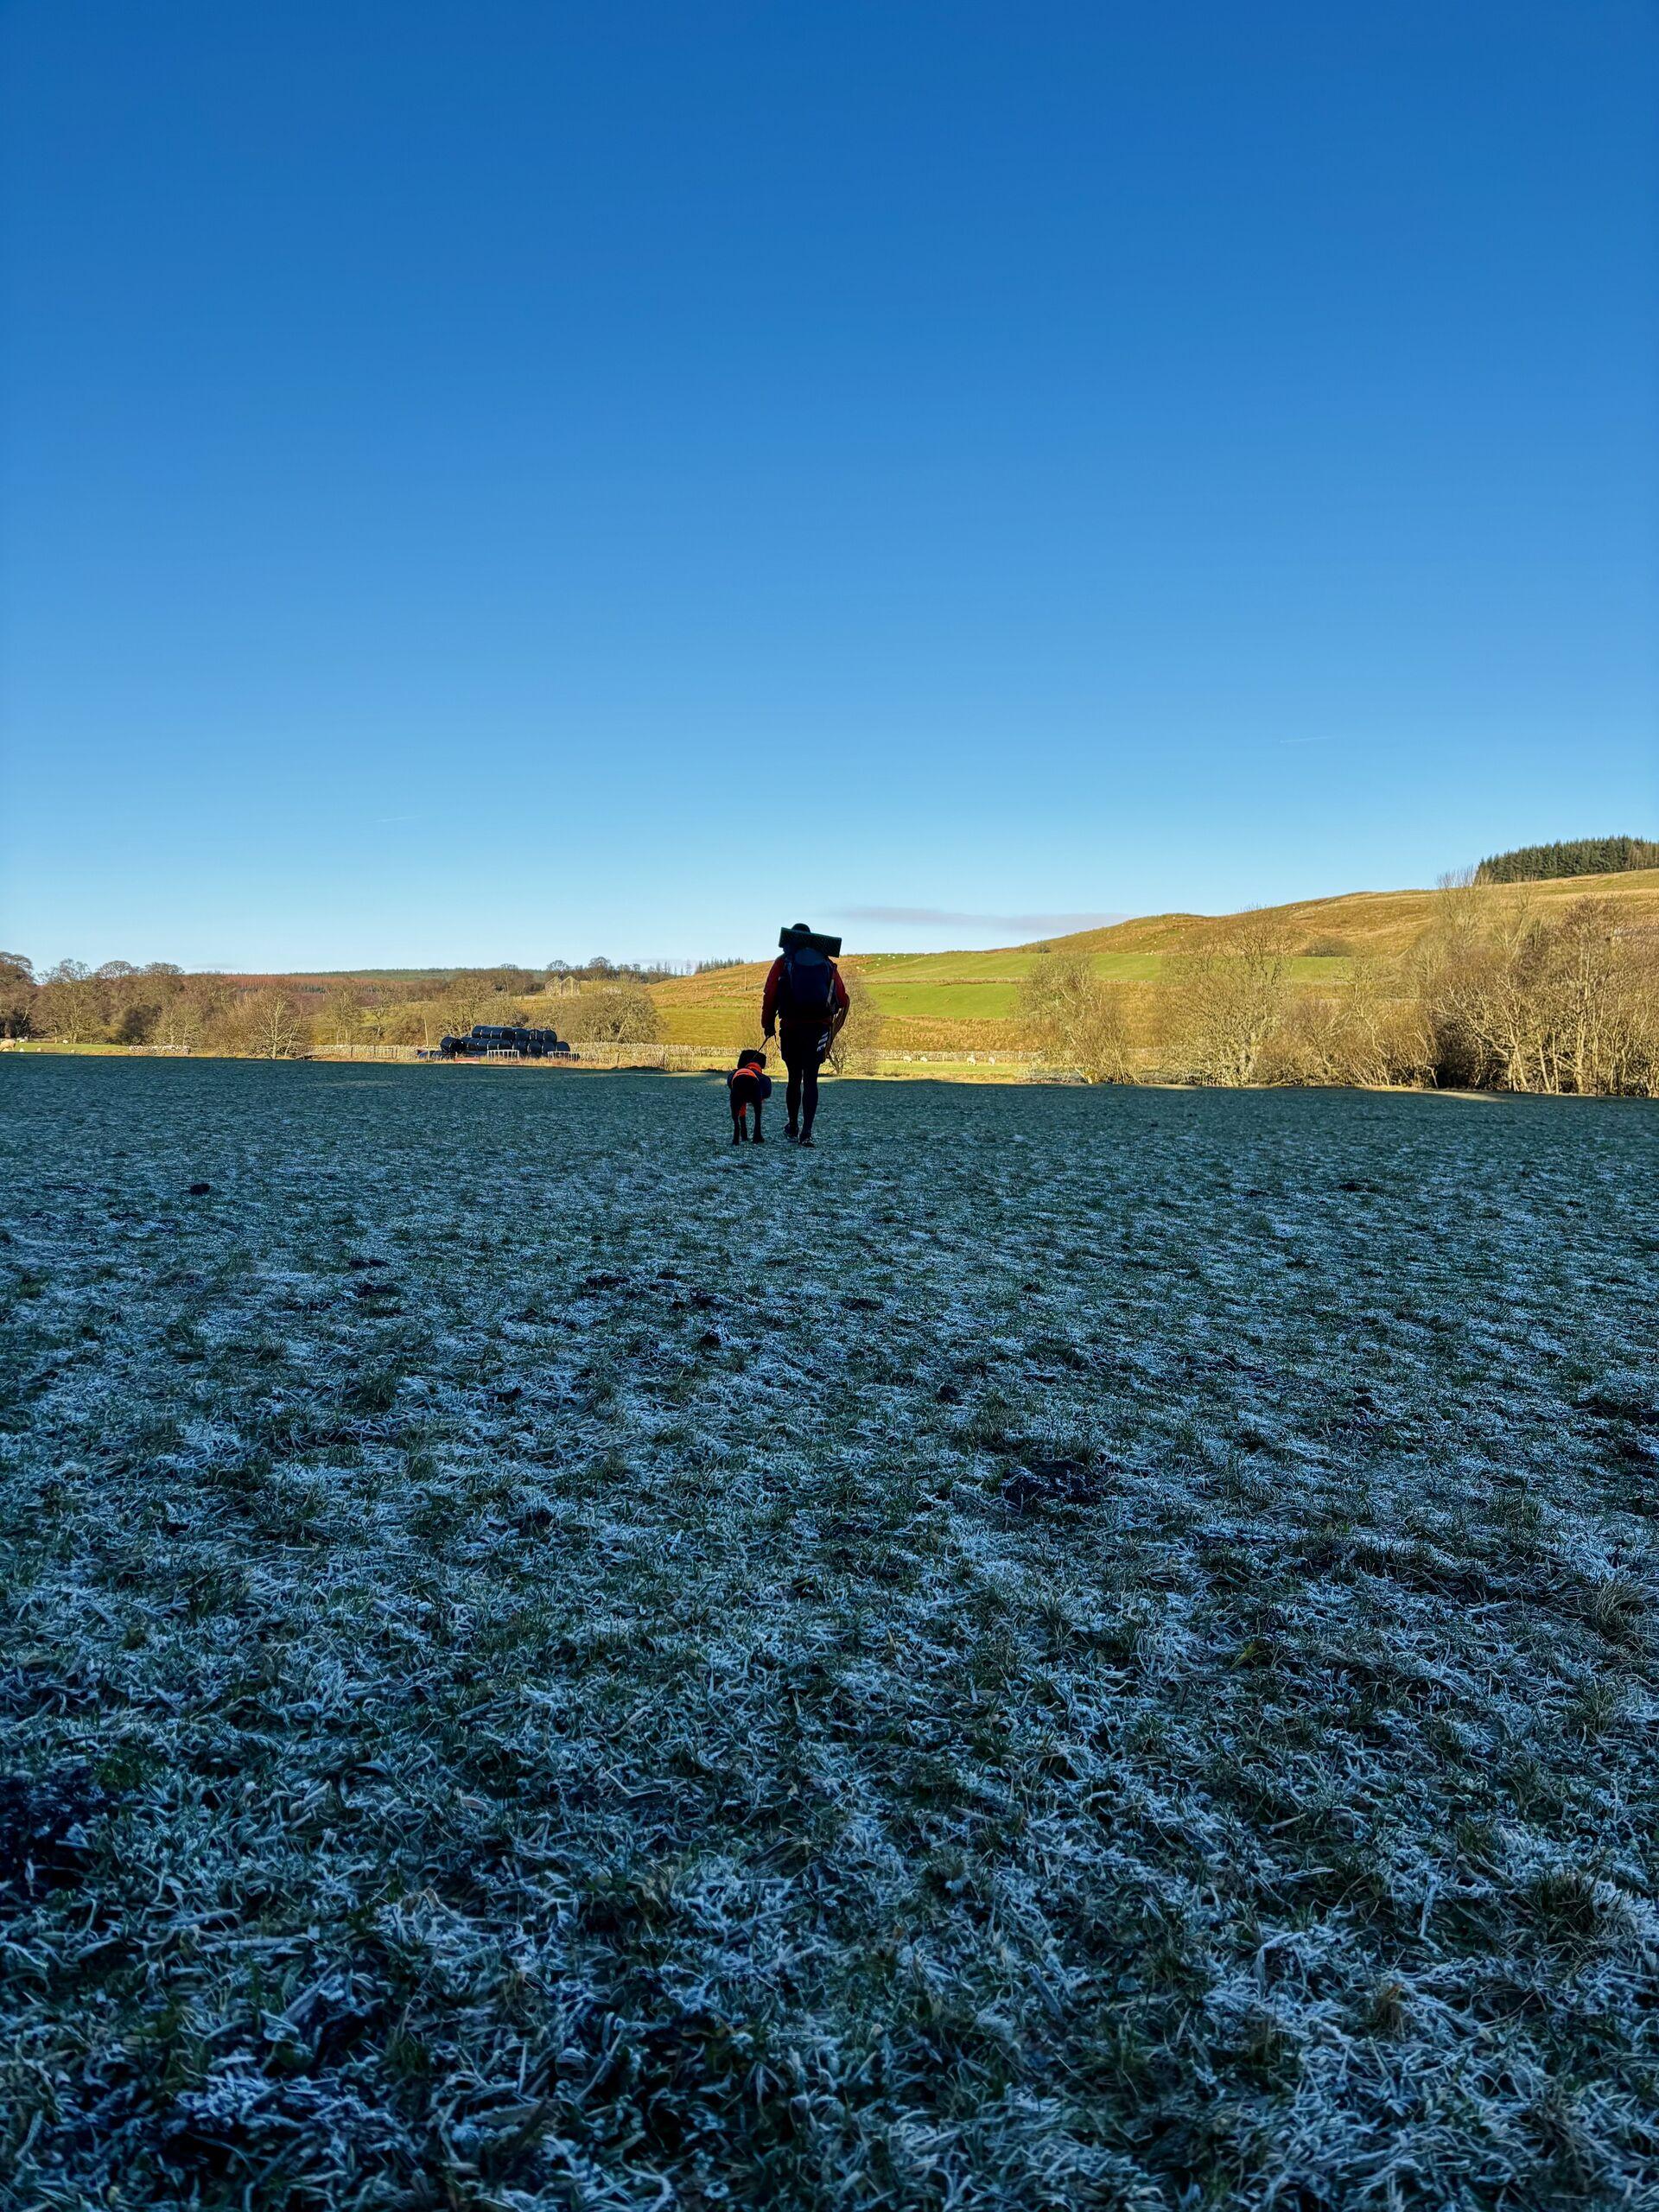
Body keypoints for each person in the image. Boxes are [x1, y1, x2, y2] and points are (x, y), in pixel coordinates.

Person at [762, 924, 849, 1146]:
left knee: (793, 1078)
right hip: (818, 1029)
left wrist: (768, 1024)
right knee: (811, 1079)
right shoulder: (826, 963)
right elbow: (841, 996)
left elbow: (770, 993)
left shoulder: (784, 961)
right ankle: (807, 1132)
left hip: (791, 1027)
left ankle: (792, 1126)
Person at [726, 1048, 772, 1145]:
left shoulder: (735, 1074)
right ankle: (757, 1135)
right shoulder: (762, 1079)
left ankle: (740, 1134)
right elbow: (767, 1092)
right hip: (755, 1085)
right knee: (757, 1111)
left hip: (738, 1082)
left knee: (738, 1105)